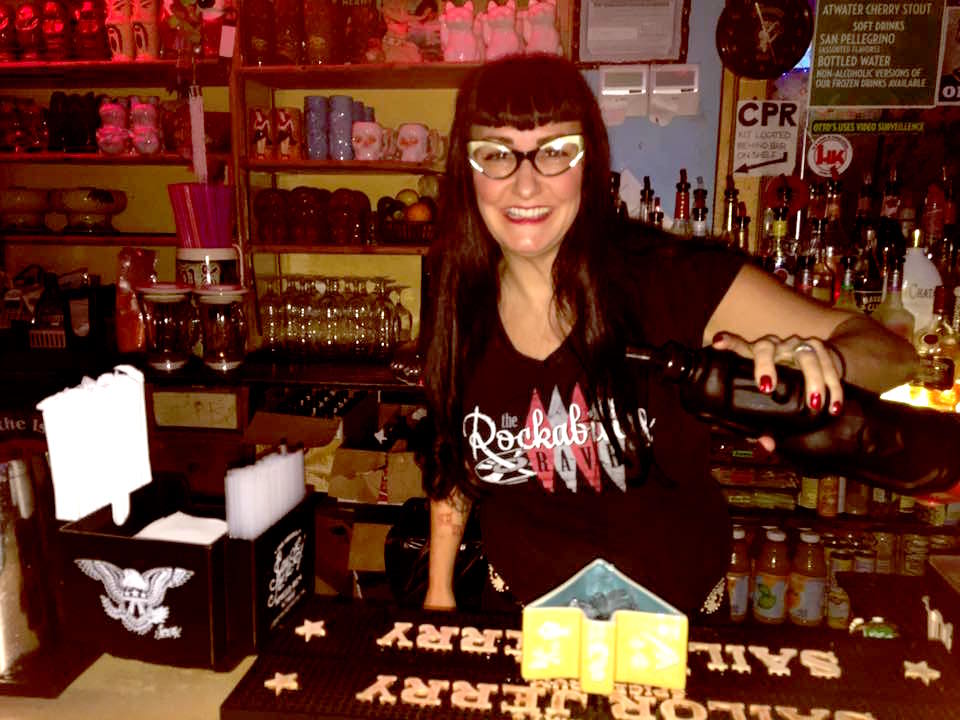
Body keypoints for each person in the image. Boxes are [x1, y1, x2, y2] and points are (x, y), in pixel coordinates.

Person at [420, 54, 918, 616]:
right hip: (523, 622)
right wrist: (439, 590)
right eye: (496, 154)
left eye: (557, 151)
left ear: (591, 161)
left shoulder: (671, 278)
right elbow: (451, 458)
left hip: (671, 629)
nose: (526, 183)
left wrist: (822, 358)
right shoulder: (456, 297)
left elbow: (893, 355)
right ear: (467, 168)